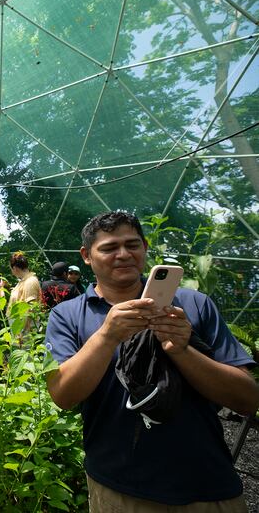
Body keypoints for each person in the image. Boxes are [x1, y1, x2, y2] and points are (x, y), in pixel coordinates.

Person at [45, 211, 259, 510]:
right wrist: (106, 336)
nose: (123, 255)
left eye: (132, 245)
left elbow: (247, 399)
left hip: (208, 487)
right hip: (118, 488)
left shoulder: (194, 305)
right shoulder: (67, 316)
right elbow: (64, 396)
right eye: (108, 248)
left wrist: (181, 350)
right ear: (87, 256)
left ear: (145, 247)